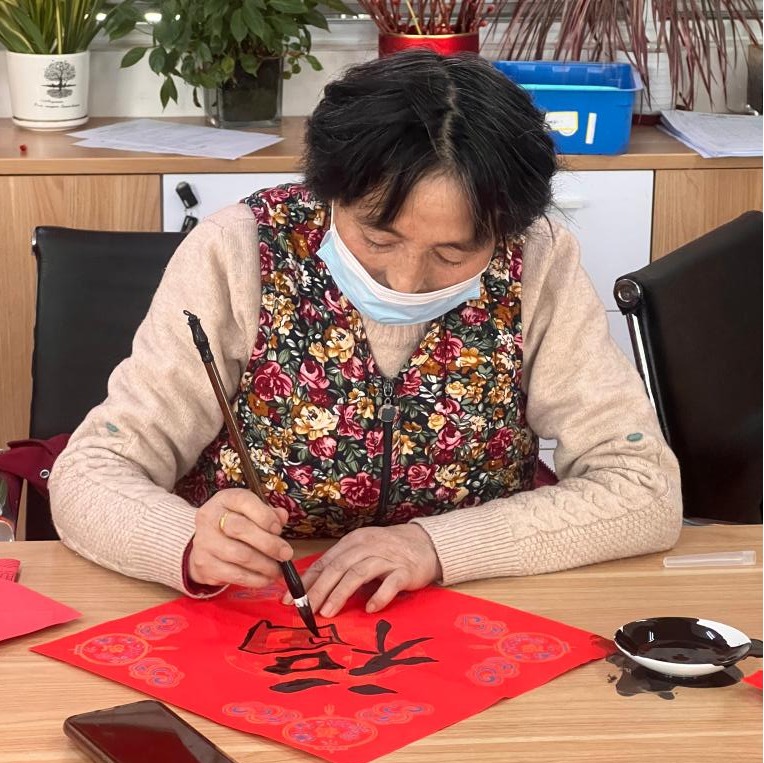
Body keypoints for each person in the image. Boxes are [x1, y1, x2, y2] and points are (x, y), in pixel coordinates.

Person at [49, 51, 682, 618]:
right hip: (256, 609)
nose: (406, 281)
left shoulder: (537, 260)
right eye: (378, 238)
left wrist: (436, 545)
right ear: (329, 193)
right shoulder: (237, 251)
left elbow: (644, 488)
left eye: (454, 253)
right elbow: (89, 473)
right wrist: (185, 542)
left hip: (471, 610)